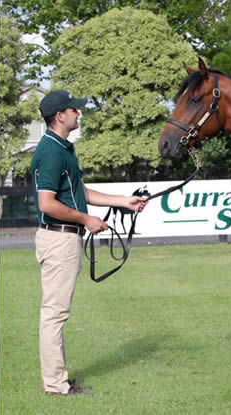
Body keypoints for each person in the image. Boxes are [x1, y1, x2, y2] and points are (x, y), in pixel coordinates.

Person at [31, 90, 148, 395]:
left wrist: (124, 202)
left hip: (64, 238)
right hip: (59, 239)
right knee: (54, 314)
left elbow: (79, 191)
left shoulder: (63, 148)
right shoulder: (51, 151)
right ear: (60, 116)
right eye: (74, 110)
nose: (79, 113)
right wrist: (86, 220)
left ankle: (58, 378)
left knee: (56, 312)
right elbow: (46, 203)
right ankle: (56, 385)